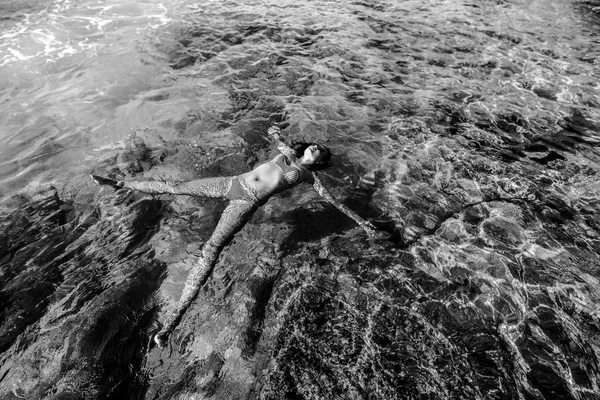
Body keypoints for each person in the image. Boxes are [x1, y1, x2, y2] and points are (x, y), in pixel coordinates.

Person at [92, 126, 376, 347]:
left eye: (322, 151)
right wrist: (275, 128)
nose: (317, 147)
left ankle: (171, 323)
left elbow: (336, 204)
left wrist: (364, 224)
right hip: (231, 183)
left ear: (321, 162)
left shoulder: (309, 178)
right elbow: (274, 135)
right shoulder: (287, 151)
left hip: (245, 203)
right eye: (317, 145)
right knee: (174, 186)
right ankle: (119, 184)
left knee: (211, 250)